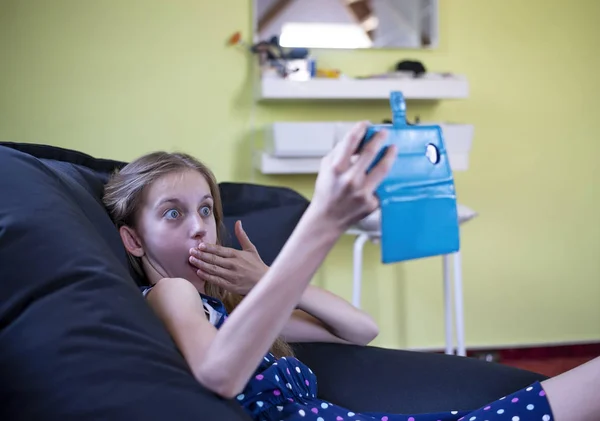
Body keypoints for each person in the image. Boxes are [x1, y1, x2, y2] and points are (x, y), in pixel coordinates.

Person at [103, 122, 598, 421]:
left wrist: (264, 281)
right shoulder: (171, 293)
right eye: (173, 213)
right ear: (133, 239)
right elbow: (219, 374)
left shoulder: (225, 310)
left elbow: (360, 329)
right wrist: (320, 224)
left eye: (206, 210)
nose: (199, 228)